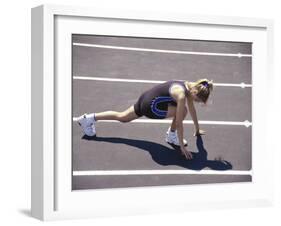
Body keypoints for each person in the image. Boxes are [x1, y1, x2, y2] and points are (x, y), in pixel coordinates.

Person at [76, 78, 213, 160]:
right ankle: (171, 136)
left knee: (122, 117)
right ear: (195, 92)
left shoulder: (188, 85)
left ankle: (88, 118)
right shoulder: (182, 95)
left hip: (145, 98)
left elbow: (193, 110)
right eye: (198, 100)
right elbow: (179, 121)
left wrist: (197, 128)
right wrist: (182, 147)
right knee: (182, 111)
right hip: (152, 107)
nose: (196, 102)